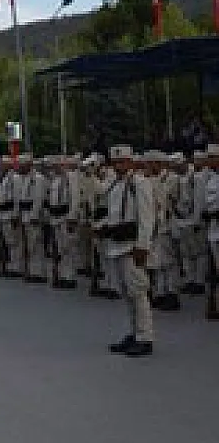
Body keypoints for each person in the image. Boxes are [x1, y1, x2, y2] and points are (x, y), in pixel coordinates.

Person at [98, 145, 155, 358]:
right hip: (117, 244)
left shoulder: (139, 184)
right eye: (116, 162)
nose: (120, 166)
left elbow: (147, 218)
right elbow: (113, 214)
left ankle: (145, 336)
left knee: (138, 292)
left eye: (123, 162)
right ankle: (134, 333)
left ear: (131, 162)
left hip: (132, 246)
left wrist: (143, 246)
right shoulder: (115, 185)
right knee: (127, 293)